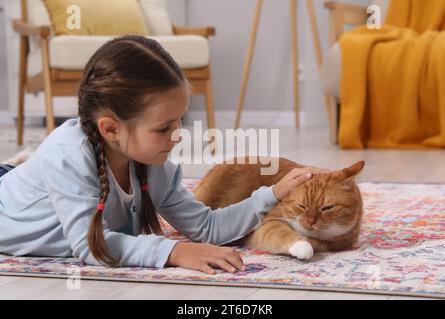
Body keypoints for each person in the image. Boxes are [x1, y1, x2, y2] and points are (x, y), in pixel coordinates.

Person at [0, 35, 313, 275]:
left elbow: (207, 227)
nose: (177, 135)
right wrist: (173, 252)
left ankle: (21, 167)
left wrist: (272, 194)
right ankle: (20, 167)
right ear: (111, 129)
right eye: (164, 128)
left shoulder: (154, 165)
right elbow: (91, 246)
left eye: (180, 121)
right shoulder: (68, 156)